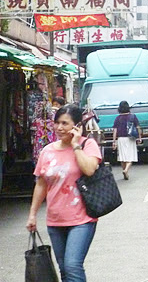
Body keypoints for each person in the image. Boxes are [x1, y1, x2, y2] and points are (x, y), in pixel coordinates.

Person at [26, 105, 102, 282]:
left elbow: (89, 169)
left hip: (82, 219)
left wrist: (75, 146)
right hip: (55, 220)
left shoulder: (88, 145)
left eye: (65, 123)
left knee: (72, 265)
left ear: (77, 126)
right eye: (57, 123)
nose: (59, 128)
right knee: (64, 269)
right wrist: (32, 214)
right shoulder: (47, 151)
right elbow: (41, 185)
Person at [112, 101, 142, 180]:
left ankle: (125, 171)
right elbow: (138, 127)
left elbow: (115, 130)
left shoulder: (118, 118)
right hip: (130, 138)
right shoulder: (133, 116)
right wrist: (139, 137)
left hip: (120, 139)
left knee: (122, 157)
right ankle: (126, 170)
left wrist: (114, 141)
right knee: (130, 156)